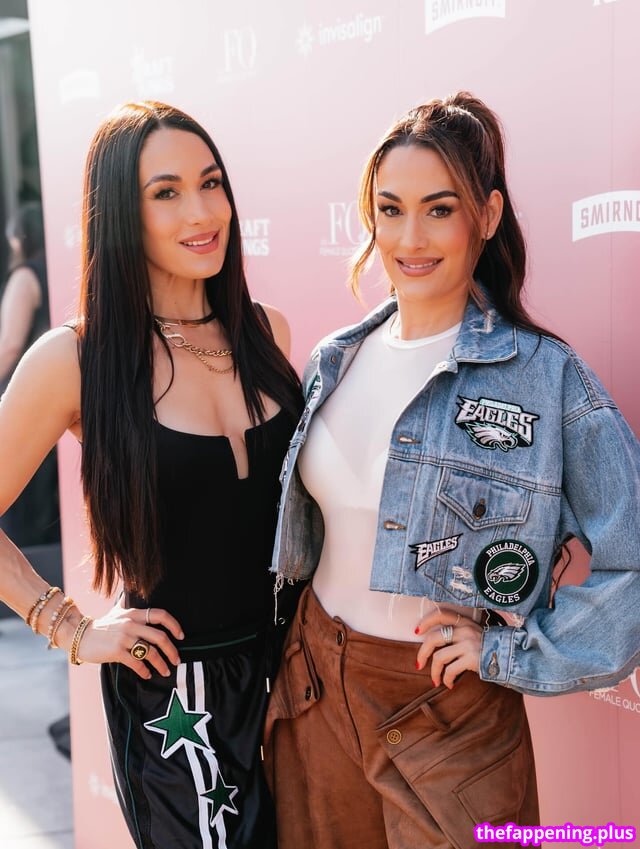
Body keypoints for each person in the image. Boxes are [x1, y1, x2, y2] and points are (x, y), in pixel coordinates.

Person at [264, 91, 640, 849]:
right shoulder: (334, 360)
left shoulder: (546, 379)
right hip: (315, 691)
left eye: (440, 209)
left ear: (487, 215)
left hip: (449, 716)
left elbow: (630, 556)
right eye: (391, 209)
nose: (410, 237)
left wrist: (508, 652)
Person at [0, 101, 302, 849]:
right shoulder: (78, 359)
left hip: (298, 680)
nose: (202, 212)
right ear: (120, 215)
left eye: (211, 183)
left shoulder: (267, 331)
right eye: (166, 192)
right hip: (177, 702)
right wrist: (68, 627)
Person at [0, 201, 59, 547]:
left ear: (19, 239)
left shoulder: (26, 275)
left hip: (25, 395)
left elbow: (9, 344)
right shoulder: (61, 269)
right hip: (57, 394)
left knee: (20, 506)